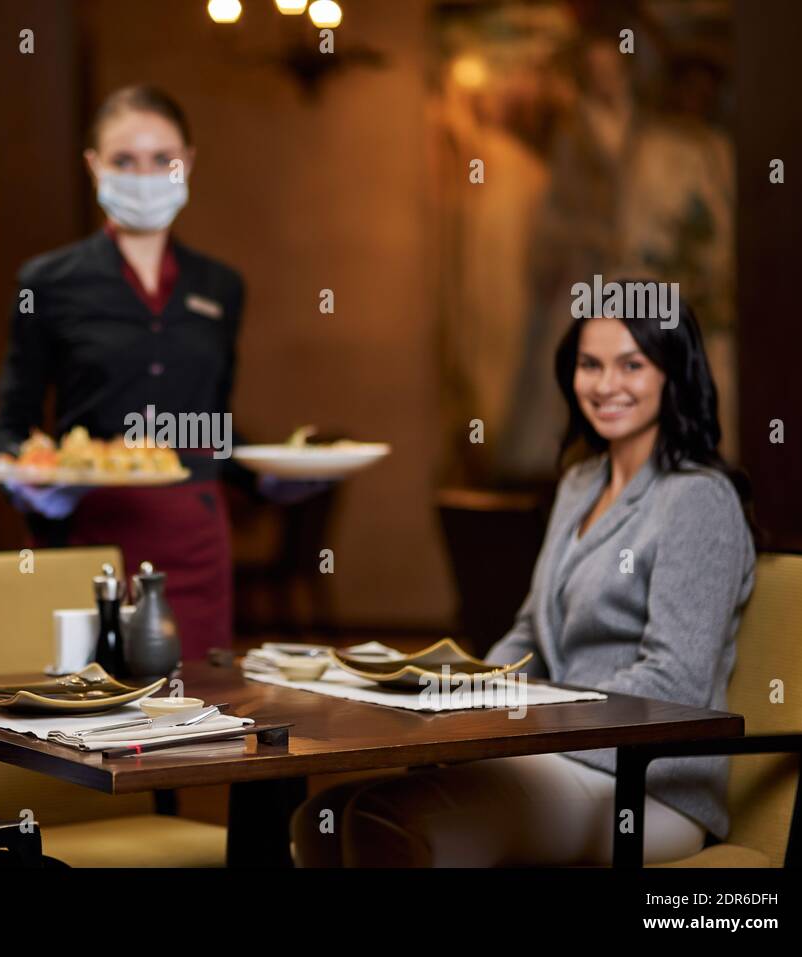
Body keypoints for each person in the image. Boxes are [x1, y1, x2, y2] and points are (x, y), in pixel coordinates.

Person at [292, 292, 756, 866]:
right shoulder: (580, 483)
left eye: (632, 364)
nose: (606, 383)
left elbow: (677, 683)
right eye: (591, 364)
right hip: (557, 753)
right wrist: (456, 697)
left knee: (379, 820)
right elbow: (528, 637)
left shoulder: (697, 499)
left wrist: (534, 716)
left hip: (650, 784)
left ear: (673, 372)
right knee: (320, 817)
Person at [0, 85, 323, 661]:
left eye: (161, 160)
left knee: (197, 716)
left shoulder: (220, 286)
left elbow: (210, 426)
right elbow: (10, 427)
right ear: (93, 167)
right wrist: (32, 486)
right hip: (86, 534)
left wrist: (268, 476)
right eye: (124, 160)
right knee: (89, 719)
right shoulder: (47, 281)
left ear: (187, 164)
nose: (143, 175)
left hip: (194, 538)